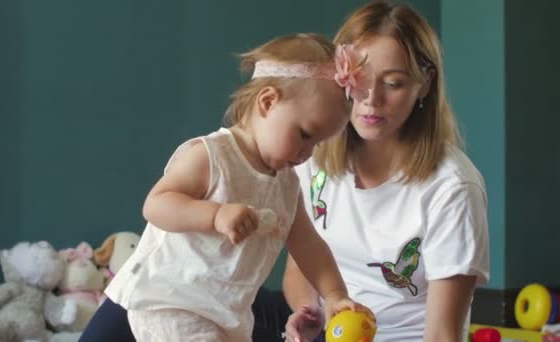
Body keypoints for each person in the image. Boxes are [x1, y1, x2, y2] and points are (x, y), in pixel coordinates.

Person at [83, 33, 375, 342]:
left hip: (225, 313)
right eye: (304, 134)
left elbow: (309, 244)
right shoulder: (212, 156)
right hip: (170, 300)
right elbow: (156, 205)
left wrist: (334, 294)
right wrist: (215, 215)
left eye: (317, 144)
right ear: (267, 101)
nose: (307, 153)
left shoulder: (288, 185)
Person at [282, 2, 490, 342]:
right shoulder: (314, 157)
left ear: (424, 85)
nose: (371, 99)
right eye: (360, 79)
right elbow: (299, 270)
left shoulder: (453, 187)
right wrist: (311, 312)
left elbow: (442, 335)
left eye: (393, 83)